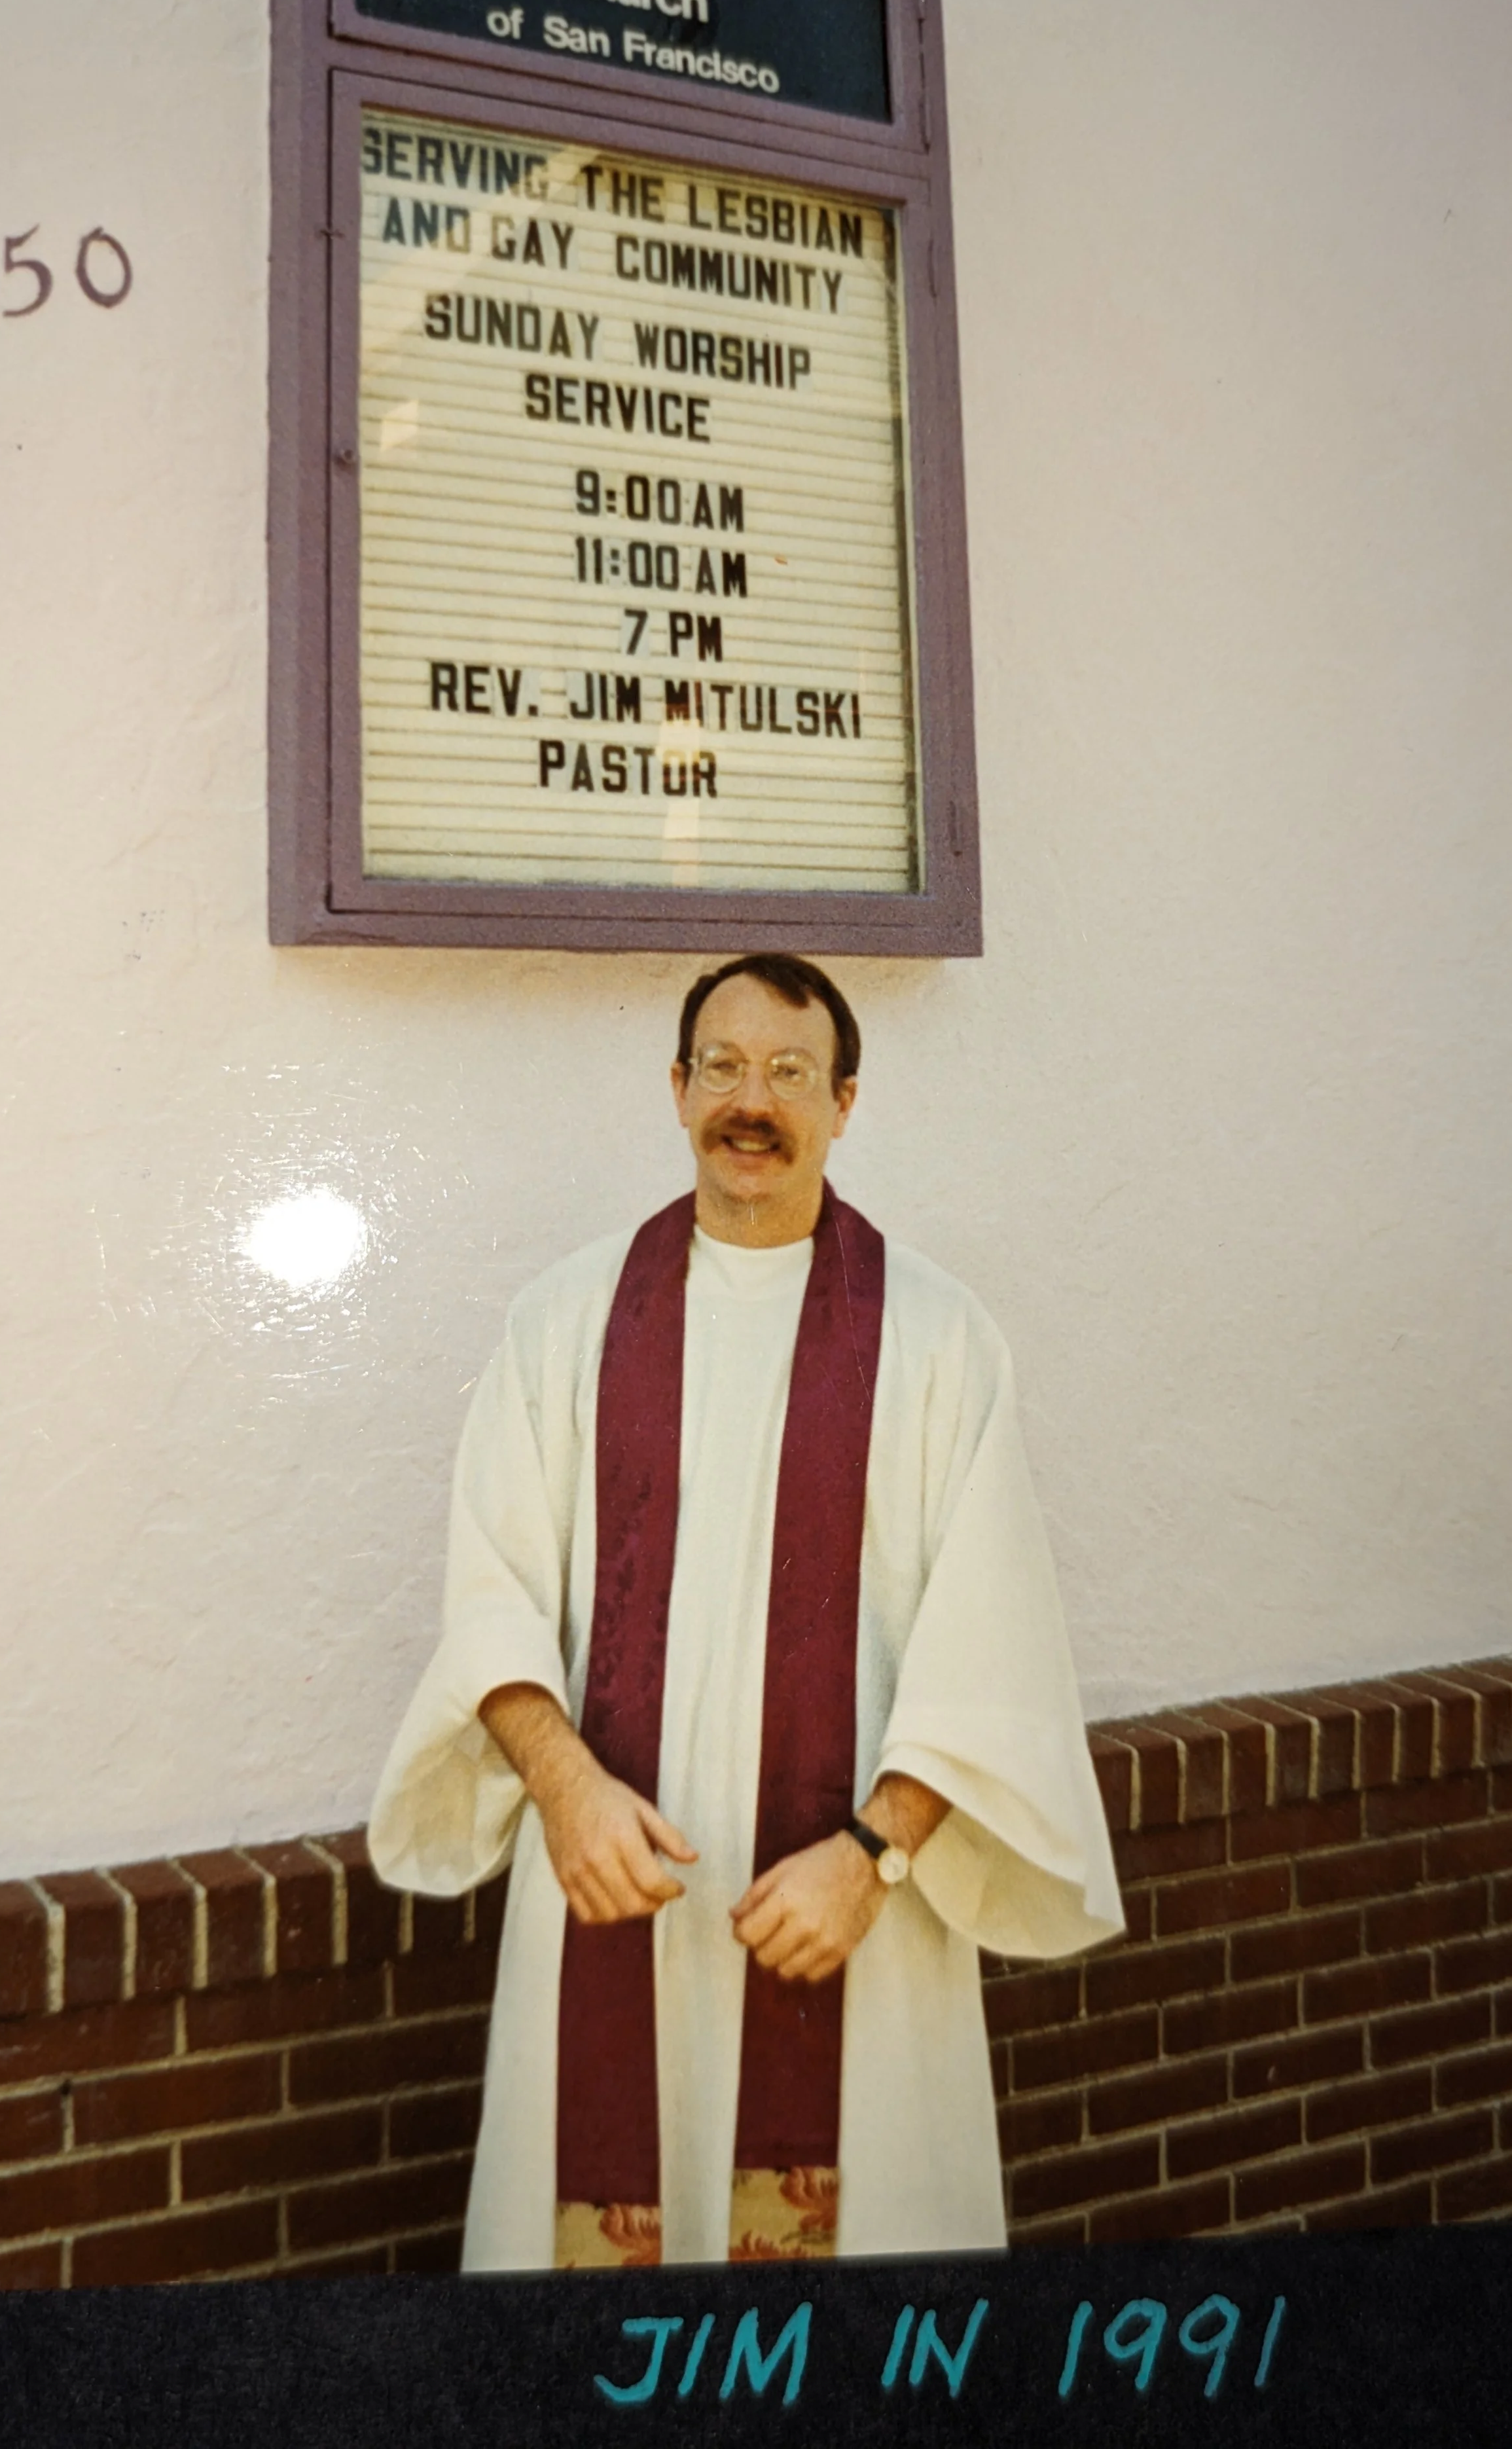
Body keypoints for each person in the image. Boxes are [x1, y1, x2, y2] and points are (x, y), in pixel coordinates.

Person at [369, 954, 1123, 2272]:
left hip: (847, 1926)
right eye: (720, 1065)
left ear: (843, 1100)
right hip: (608, 1893)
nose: (750, 1100)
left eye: (787, 1071)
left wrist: (875, 1854)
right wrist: (562, 1787)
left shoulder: (939, 1343)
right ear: (674, 1089)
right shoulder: (561, 1325)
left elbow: (985, 1651)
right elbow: (488, 1594)